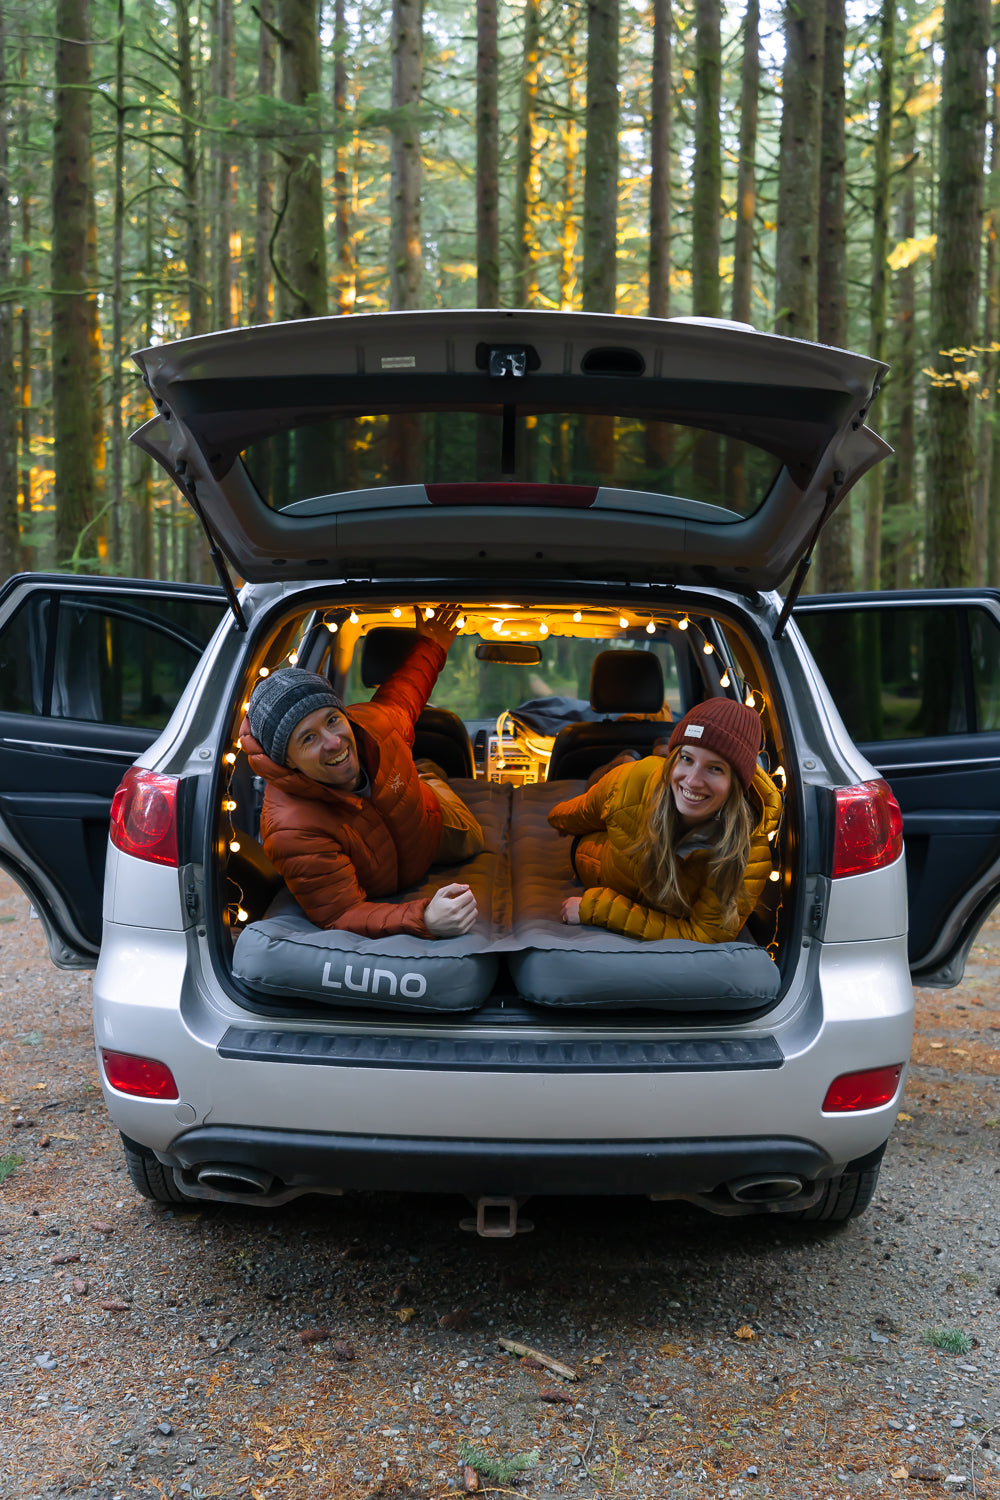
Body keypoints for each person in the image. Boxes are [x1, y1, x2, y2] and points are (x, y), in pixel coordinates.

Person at [241, 606, 482, 939]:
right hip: (389, 869)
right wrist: (423, 917)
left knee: (474, 839)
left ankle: (424, 775)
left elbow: (408, 688)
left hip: (428, 824)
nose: (332, 741)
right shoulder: (291, 829)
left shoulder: (377, 725)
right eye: (308, 738)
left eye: (332, 720)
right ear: (288, 761)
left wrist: (433, 642)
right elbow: (342, 913)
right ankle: (421, 772)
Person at [547, 698, 783, 944]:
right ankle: (627, 757)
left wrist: (598, 909)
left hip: (631, 879)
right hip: (593, 856)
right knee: (611, 781)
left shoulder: (746, 854)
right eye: (687, 758)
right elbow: (579, 811)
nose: (692, 780)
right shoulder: (632, 781)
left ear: (737, 786)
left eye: (715, 769)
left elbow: (704, 934)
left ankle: (649, 753)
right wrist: (558, 820)